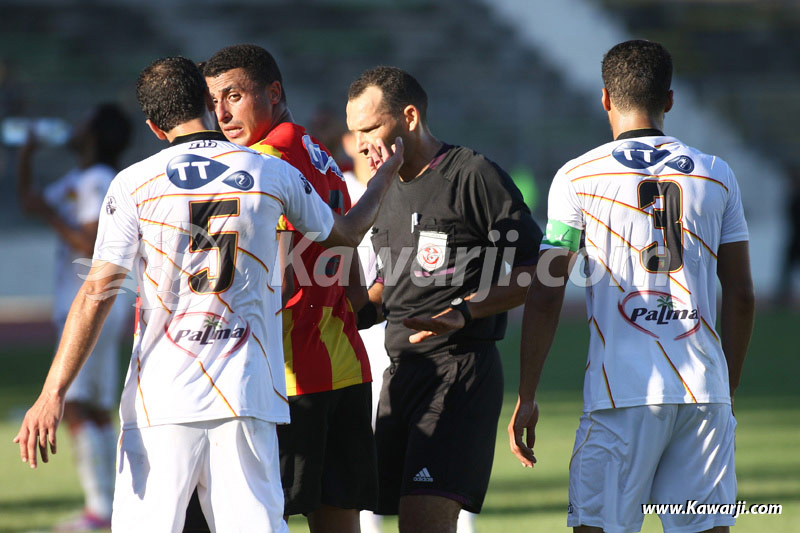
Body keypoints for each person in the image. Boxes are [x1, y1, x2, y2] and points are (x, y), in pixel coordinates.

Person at [13, 55, 403, 533]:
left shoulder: (134, 183)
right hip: (247, 394)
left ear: (155, 127)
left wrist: (52, 393)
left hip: (162, 399)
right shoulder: (269, 171)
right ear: (206, 100)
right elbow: (344, 234)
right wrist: (384, 176)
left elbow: (96, 293)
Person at [508, 40, 755, 533]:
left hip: (619, 393)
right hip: (703, 392)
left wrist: (527, 393)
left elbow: (546, 290)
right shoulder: (717, 175)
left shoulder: (576, 178)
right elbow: (742, 295)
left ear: (604, 98)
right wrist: (725, 387)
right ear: (669, 100)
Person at [346, 66, 543, 533]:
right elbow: (387, 288)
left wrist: (466, 310)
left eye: (370, 128)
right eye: (355, 133)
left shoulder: (472, 174)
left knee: (423, 523)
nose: (360, 145)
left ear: (409, 117)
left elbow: (538, 272)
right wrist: (346, 310)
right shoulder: (384, 189)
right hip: (401, 376)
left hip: (459, 371)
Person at [202, 44, 378, 533]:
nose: (221, 113)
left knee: (256, 517)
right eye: (214, 100)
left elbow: (271, 278)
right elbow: (348, 268)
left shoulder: (260, 162)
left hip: (285, 376)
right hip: (344, 363)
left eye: (234, 96)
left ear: (273, 92)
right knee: (337, 514)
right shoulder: (316, 152)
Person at [17, 102, 132, 531]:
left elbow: (88, 243)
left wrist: (51, 214)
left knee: (79, 406)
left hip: (92, 302)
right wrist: (27, 155)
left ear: (95, 135)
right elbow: (30, 202)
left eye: (84, 121)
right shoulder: (79, 179)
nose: (75, 125)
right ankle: (109, 507)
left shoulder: (99, 180)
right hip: (85, 302)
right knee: (94, 407)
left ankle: (100, 510)